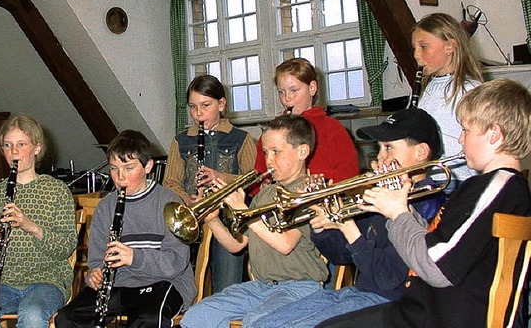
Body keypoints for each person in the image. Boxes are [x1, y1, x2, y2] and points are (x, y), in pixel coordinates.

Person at [317, 78, 531, 328]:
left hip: (440, 317)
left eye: (466, 130)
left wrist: (398, 214)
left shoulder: (491, 189)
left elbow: (437, 267)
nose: (460, 140)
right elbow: (436, 245)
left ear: (494, 134)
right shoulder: (506, 189)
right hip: (431, 311)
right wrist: (402, 207)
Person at [249, 108, 445, 328]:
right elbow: (341, 255)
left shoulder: (427, 206)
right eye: (379, 148)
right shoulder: (381, 196)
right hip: (356, 293)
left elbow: (386, 278)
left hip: (391, 303)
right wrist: (322, 225)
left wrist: (348, 227)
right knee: (261, 324)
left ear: (421, 153)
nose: (379, 157)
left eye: (389, 147)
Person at [180, 114, 329, 328]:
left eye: (276, 152)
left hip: (300, 288)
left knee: (257, 322)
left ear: (302, 151)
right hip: (260, 287)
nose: (268, 160)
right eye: (266, 152)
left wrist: (242, 210)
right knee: (196, 316)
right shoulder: (264, 195)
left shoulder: (308, 192)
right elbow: (236, 245)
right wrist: (213, 221)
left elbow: (285, 244)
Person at [55, 130, 195, 328]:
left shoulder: (169, 203)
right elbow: (96, 260)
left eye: (129, 168)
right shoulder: (106, 206)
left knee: (148, 319)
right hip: (119, 284)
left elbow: (176, 262)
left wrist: (134, 257)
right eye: (114, 169)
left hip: (164, 282)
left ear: (148, 166)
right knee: (67, 318)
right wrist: (95, 274)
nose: (120, 177)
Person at [0, 114, 77, 328]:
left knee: (32, 315)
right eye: (8, 145)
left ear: (37, 148)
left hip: (47, 280)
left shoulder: (57, 191)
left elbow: (65, 246)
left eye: (21, 144)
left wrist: (29, 226)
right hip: (2, 282)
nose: (13, 152)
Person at [163, 75, 257, 292]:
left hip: (228, 223)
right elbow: (170, 182)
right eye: (193, 107)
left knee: (226, 286)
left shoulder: (240, 139)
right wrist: (190, 201)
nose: (198, 114)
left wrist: (220, 178)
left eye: (206, 105)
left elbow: (254, 180)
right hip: (190, 220)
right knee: (182, 283)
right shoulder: (181, 141)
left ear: (221, 104)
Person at [254, 58, 358, 183]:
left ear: (312, 88)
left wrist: (318, 178)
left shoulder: (332, 128)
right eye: (281, 92)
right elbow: (260, 172)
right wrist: (262, 185)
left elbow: (350, 173)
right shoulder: (273, 131)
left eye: (294, 90)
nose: (287, 98)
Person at [412, 12, 484, 194]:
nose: (416, 55)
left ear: (450, 47)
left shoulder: (470, 90)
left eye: (423, 47)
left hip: (456, 182)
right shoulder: (427, 88)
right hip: (431, 178)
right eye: (414, 48)